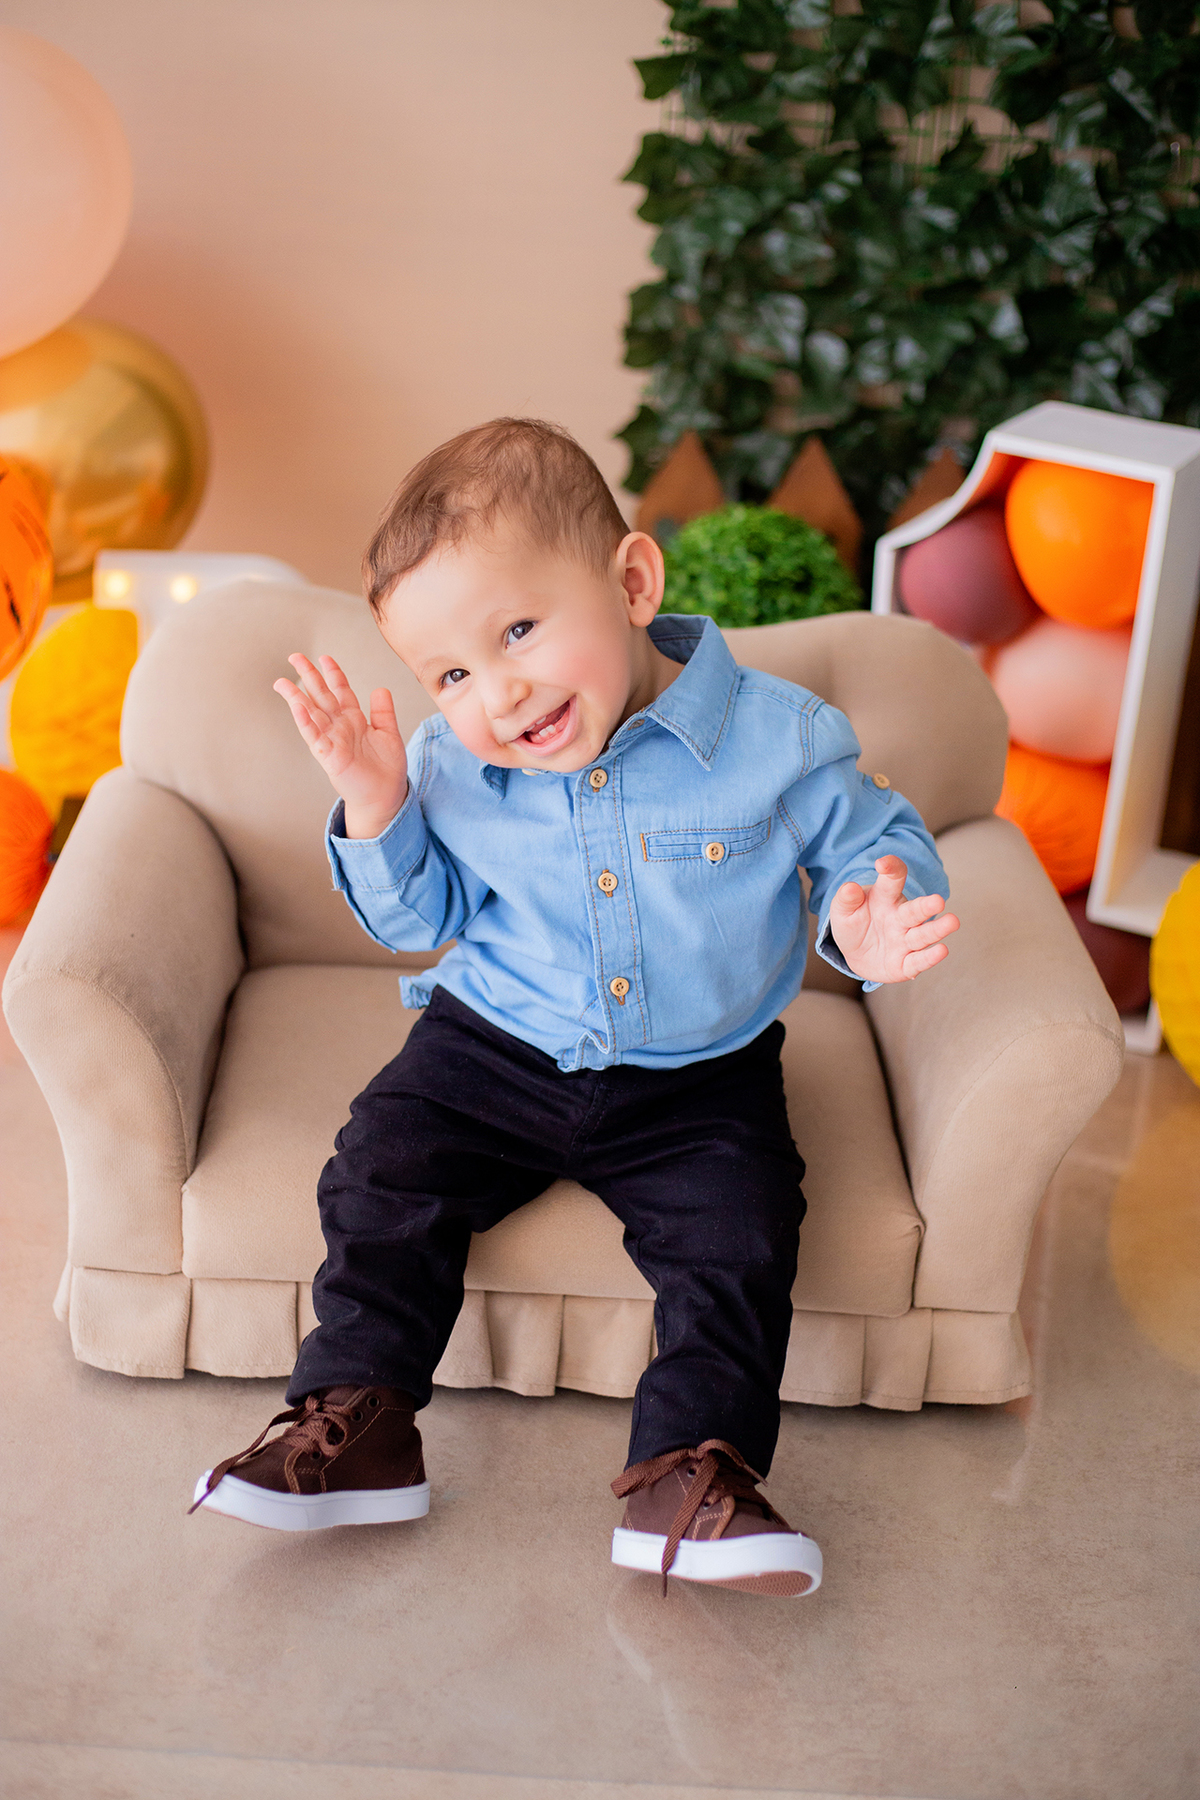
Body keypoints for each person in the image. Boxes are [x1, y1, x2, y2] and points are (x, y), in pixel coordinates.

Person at [190, 418, 958, 1598]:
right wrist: (375, 798)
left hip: (701, 1077)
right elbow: (419, 917)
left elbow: (873, 843)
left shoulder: (779, 738)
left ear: (633, 582)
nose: (496, 693)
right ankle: (357, 1420)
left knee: (742, 1237)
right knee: (379, 1168)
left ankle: (689, 1478)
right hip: (492, 1046)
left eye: (518, 630)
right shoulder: (451, 765)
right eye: (450, 673)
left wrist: (865, 916)